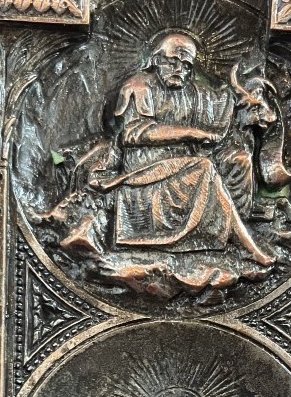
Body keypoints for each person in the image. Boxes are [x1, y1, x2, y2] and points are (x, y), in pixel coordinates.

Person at [96, 34, 274, 267]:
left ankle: (238, 228)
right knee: (204, 167)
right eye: (173, 62)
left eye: (187, 65)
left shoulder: (189, 92)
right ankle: (246, 245)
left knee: (238, 160)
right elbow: (134, 134)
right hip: (145, 168)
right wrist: (191, 133)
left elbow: (217, 109)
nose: (179, 69)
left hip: (181, 165)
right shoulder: (138, 86)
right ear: (157, 60)